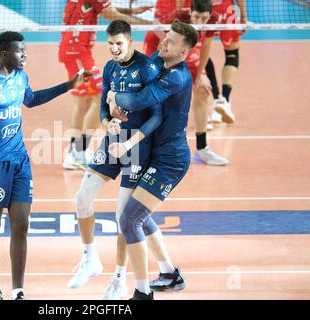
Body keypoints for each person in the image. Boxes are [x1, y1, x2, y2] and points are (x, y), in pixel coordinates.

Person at [0, 31, 88, 300]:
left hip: (20, 162)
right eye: (20, 51)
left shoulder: (20, 76)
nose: (25, 55)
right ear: (5, 53)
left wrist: (68, 85)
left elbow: (31, 99)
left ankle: (18, 291)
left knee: (21, 224)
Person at [69, 20, 171, 300]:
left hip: (137, 147)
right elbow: (104, 104)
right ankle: (90, 259)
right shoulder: (111, 67)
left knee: (123, 217)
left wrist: (129, 140)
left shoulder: (148, 69)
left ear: (130, 41)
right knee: (81, 198)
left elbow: (156, 116)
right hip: (112, 141)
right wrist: (105, 122)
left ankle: (119, 279)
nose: (114, 49)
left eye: (119, 44)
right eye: (110, 44)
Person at [106, 20, 198, 300]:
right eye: (166, 37)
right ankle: (170, 274)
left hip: (170, 160)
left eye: (171, 42)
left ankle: (142, 292)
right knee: (137, 215)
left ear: (183, 53)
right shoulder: (161, 64)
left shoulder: (177, 76)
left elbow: (139, 100)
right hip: (153, 152)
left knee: (130, 219)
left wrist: (111, 94)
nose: (164, 42)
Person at [59, 0, 153, 170]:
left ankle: (74, 153)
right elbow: (112, 15)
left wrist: (132, 11)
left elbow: (105, 10)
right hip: (77, 52)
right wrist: (150, 24)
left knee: (82, 103)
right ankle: (78, 151)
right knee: (100, 98)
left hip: (72, 51)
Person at [144, 0, 228, 165]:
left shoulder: (212, 21)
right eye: (196, 17)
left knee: (202, 90)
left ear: (210, 15)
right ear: (190, 12)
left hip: (185, 49)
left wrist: (200, 76)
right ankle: (156, 148)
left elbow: (205, 48)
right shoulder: (178, 17)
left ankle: (202, 149)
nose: (200, 22)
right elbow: (156, 27)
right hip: (159, 45)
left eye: (204, 18)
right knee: (161, 94)